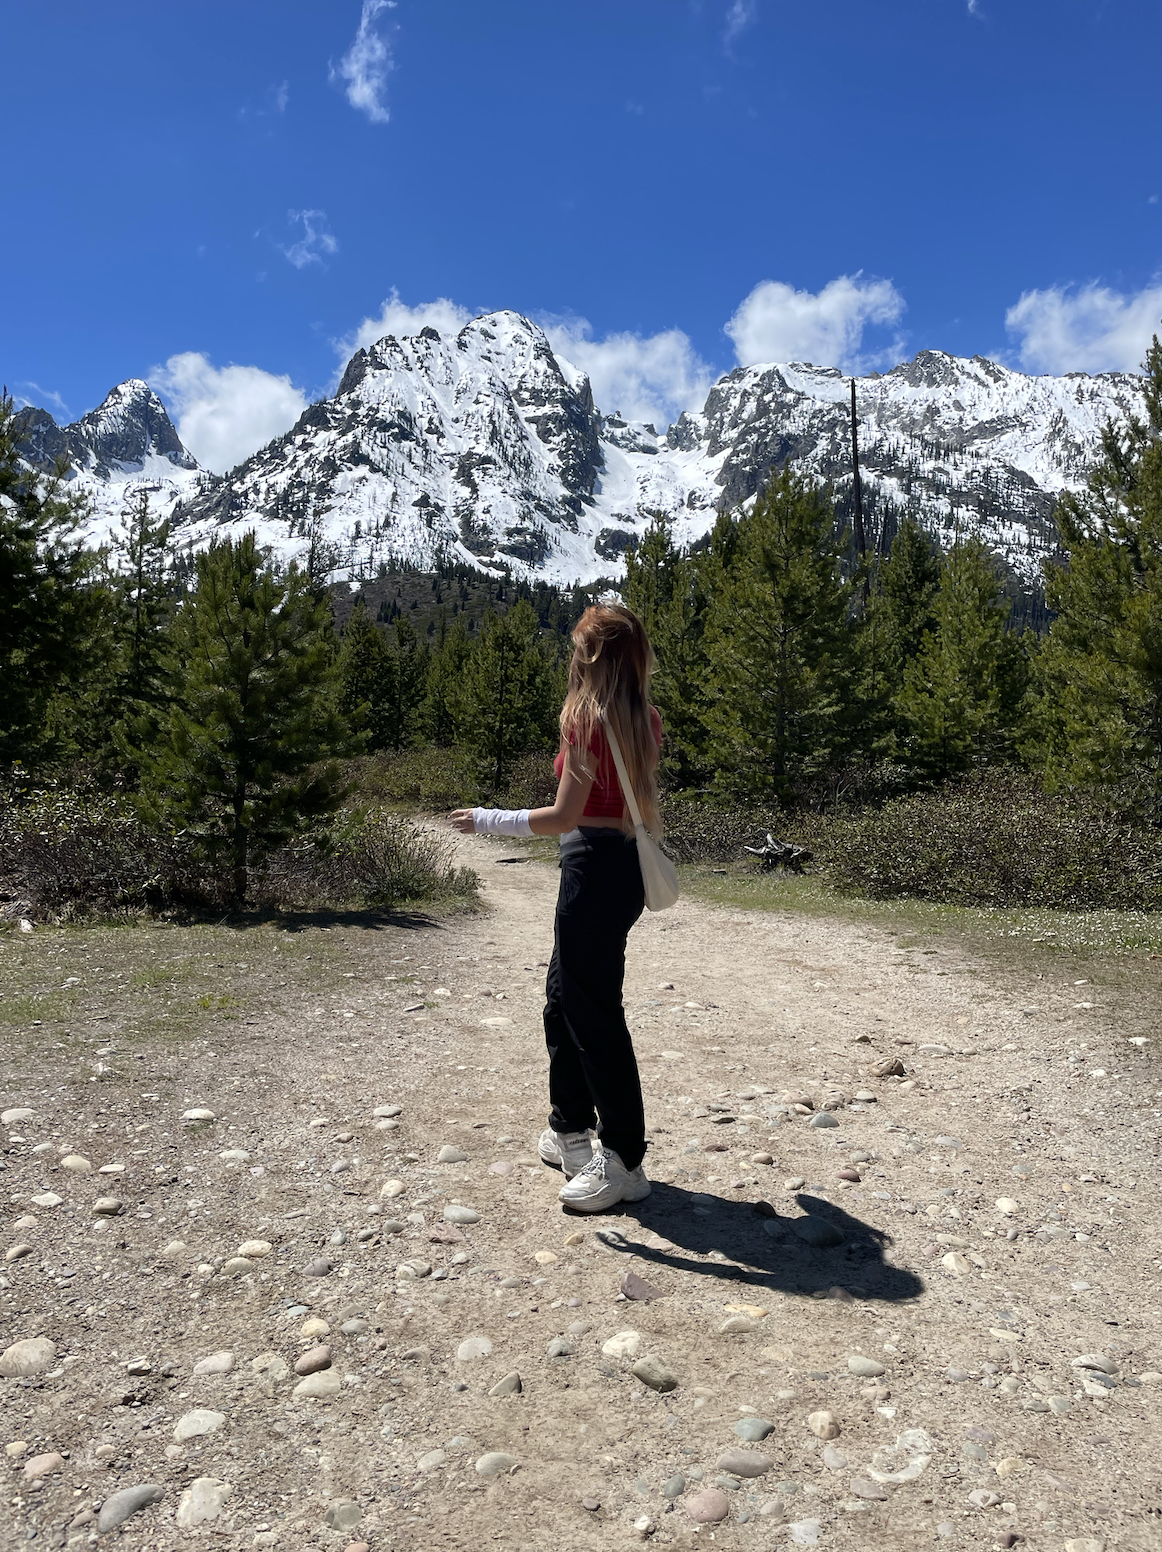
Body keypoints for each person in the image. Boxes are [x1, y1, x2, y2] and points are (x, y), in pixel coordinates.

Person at [450, 602, 662, 1212]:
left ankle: (623, 1159)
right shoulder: (643, 719)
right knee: (566, 995)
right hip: (618, 869)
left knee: (592, 1011)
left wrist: (489, 819)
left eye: (579, 648)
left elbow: (565, 816)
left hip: (591, 867)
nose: (573, 657)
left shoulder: (588, 720)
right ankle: (569, 1127)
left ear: (593, 656)